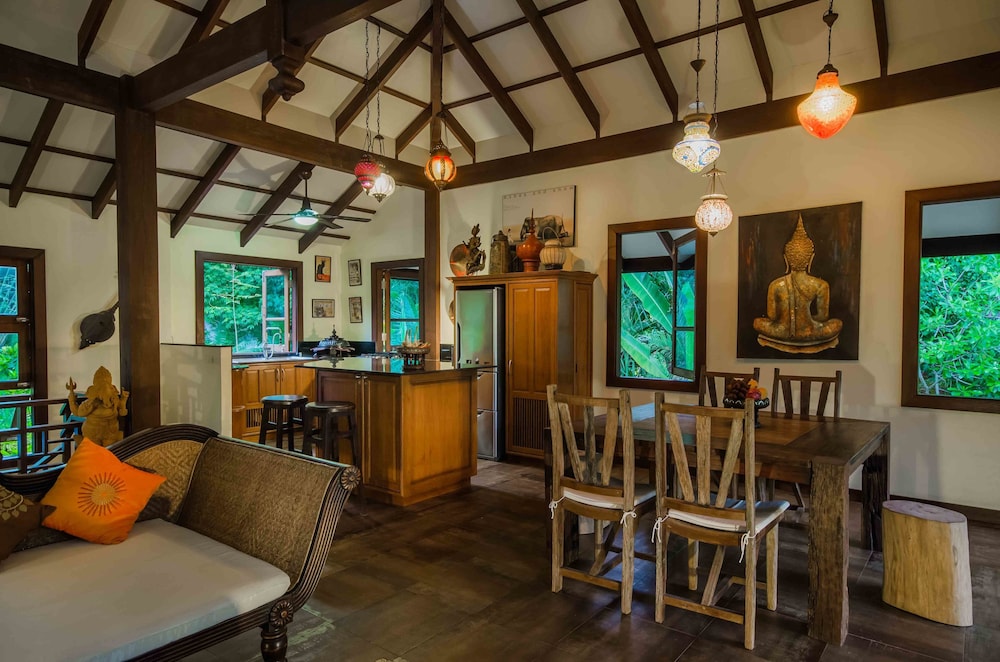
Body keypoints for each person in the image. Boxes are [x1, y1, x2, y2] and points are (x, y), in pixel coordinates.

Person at [753, 217, 842, 353]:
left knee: (757, 322)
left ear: (786, 259)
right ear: (811, 259)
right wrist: (807, 322)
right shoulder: (820, 285)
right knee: (837, 323)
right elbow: (822, 317)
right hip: (810, 332)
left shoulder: (775, 285)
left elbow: (772, 317)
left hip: (781, 332)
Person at [66, 366, 129, 447]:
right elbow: (78, 412)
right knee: (94, 451)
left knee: (109, 451)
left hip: (110, 431)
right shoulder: (90, 403)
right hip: (92, 432)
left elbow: (122, 412)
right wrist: (72, 399)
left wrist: (124, 399)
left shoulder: (114, 399)